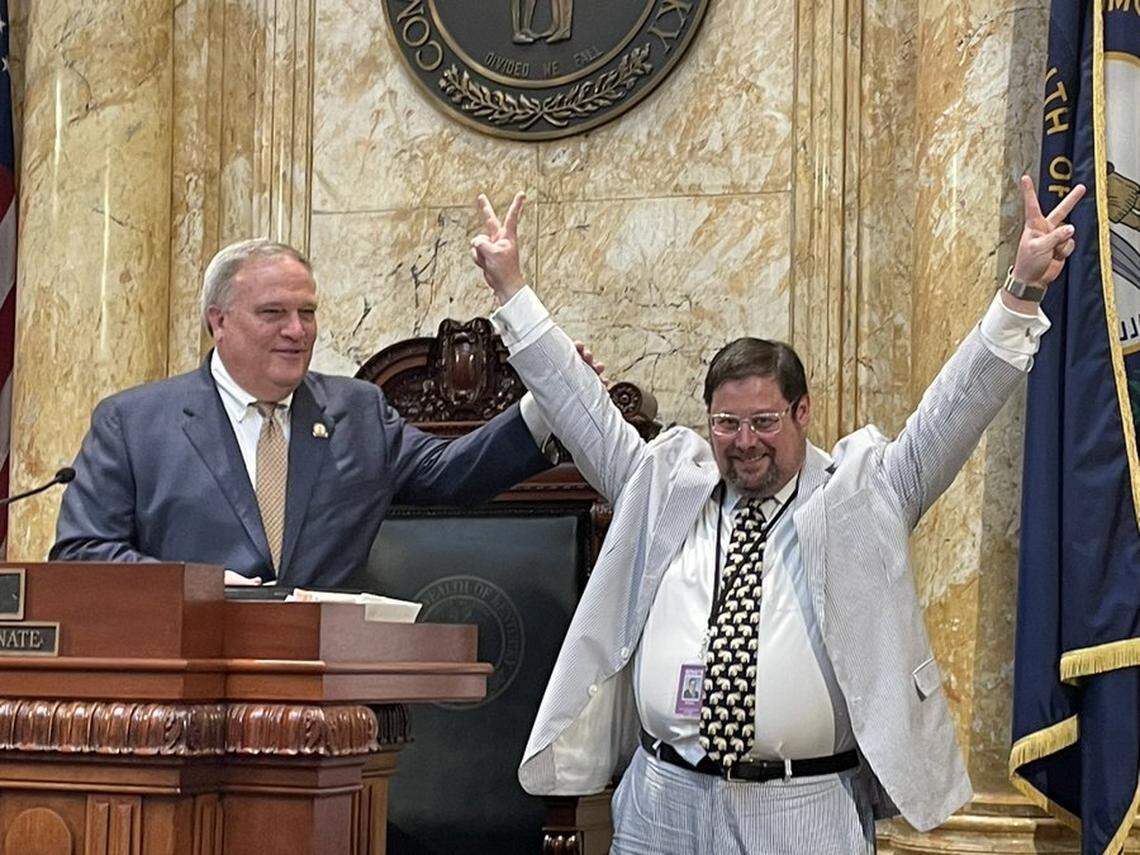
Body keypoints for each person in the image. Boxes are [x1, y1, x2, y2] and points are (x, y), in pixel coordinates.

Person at [469, 178, 1084, 853]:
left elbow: (953, 411)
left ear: (802, 413)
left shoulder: (863, 491)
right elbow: (579, 406)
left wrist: (1021, 291)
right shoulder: (664, 483)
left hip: (805, 805)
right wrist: (512, 290)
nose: (744, 440)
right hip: (662, 798)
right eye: (726, 423)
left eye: (763, 421)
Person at [50, 239, 555, 589]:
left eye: (307, 312)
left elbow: (453, 476)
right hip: (183, 693)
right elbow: (82, 554)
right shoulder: (134, 424)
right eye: (273, 313)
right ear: (218, 322)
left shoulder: (357, 412)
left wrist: (551, 402)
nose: (298, 330)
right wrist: (195, 586)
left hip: (321, 692)